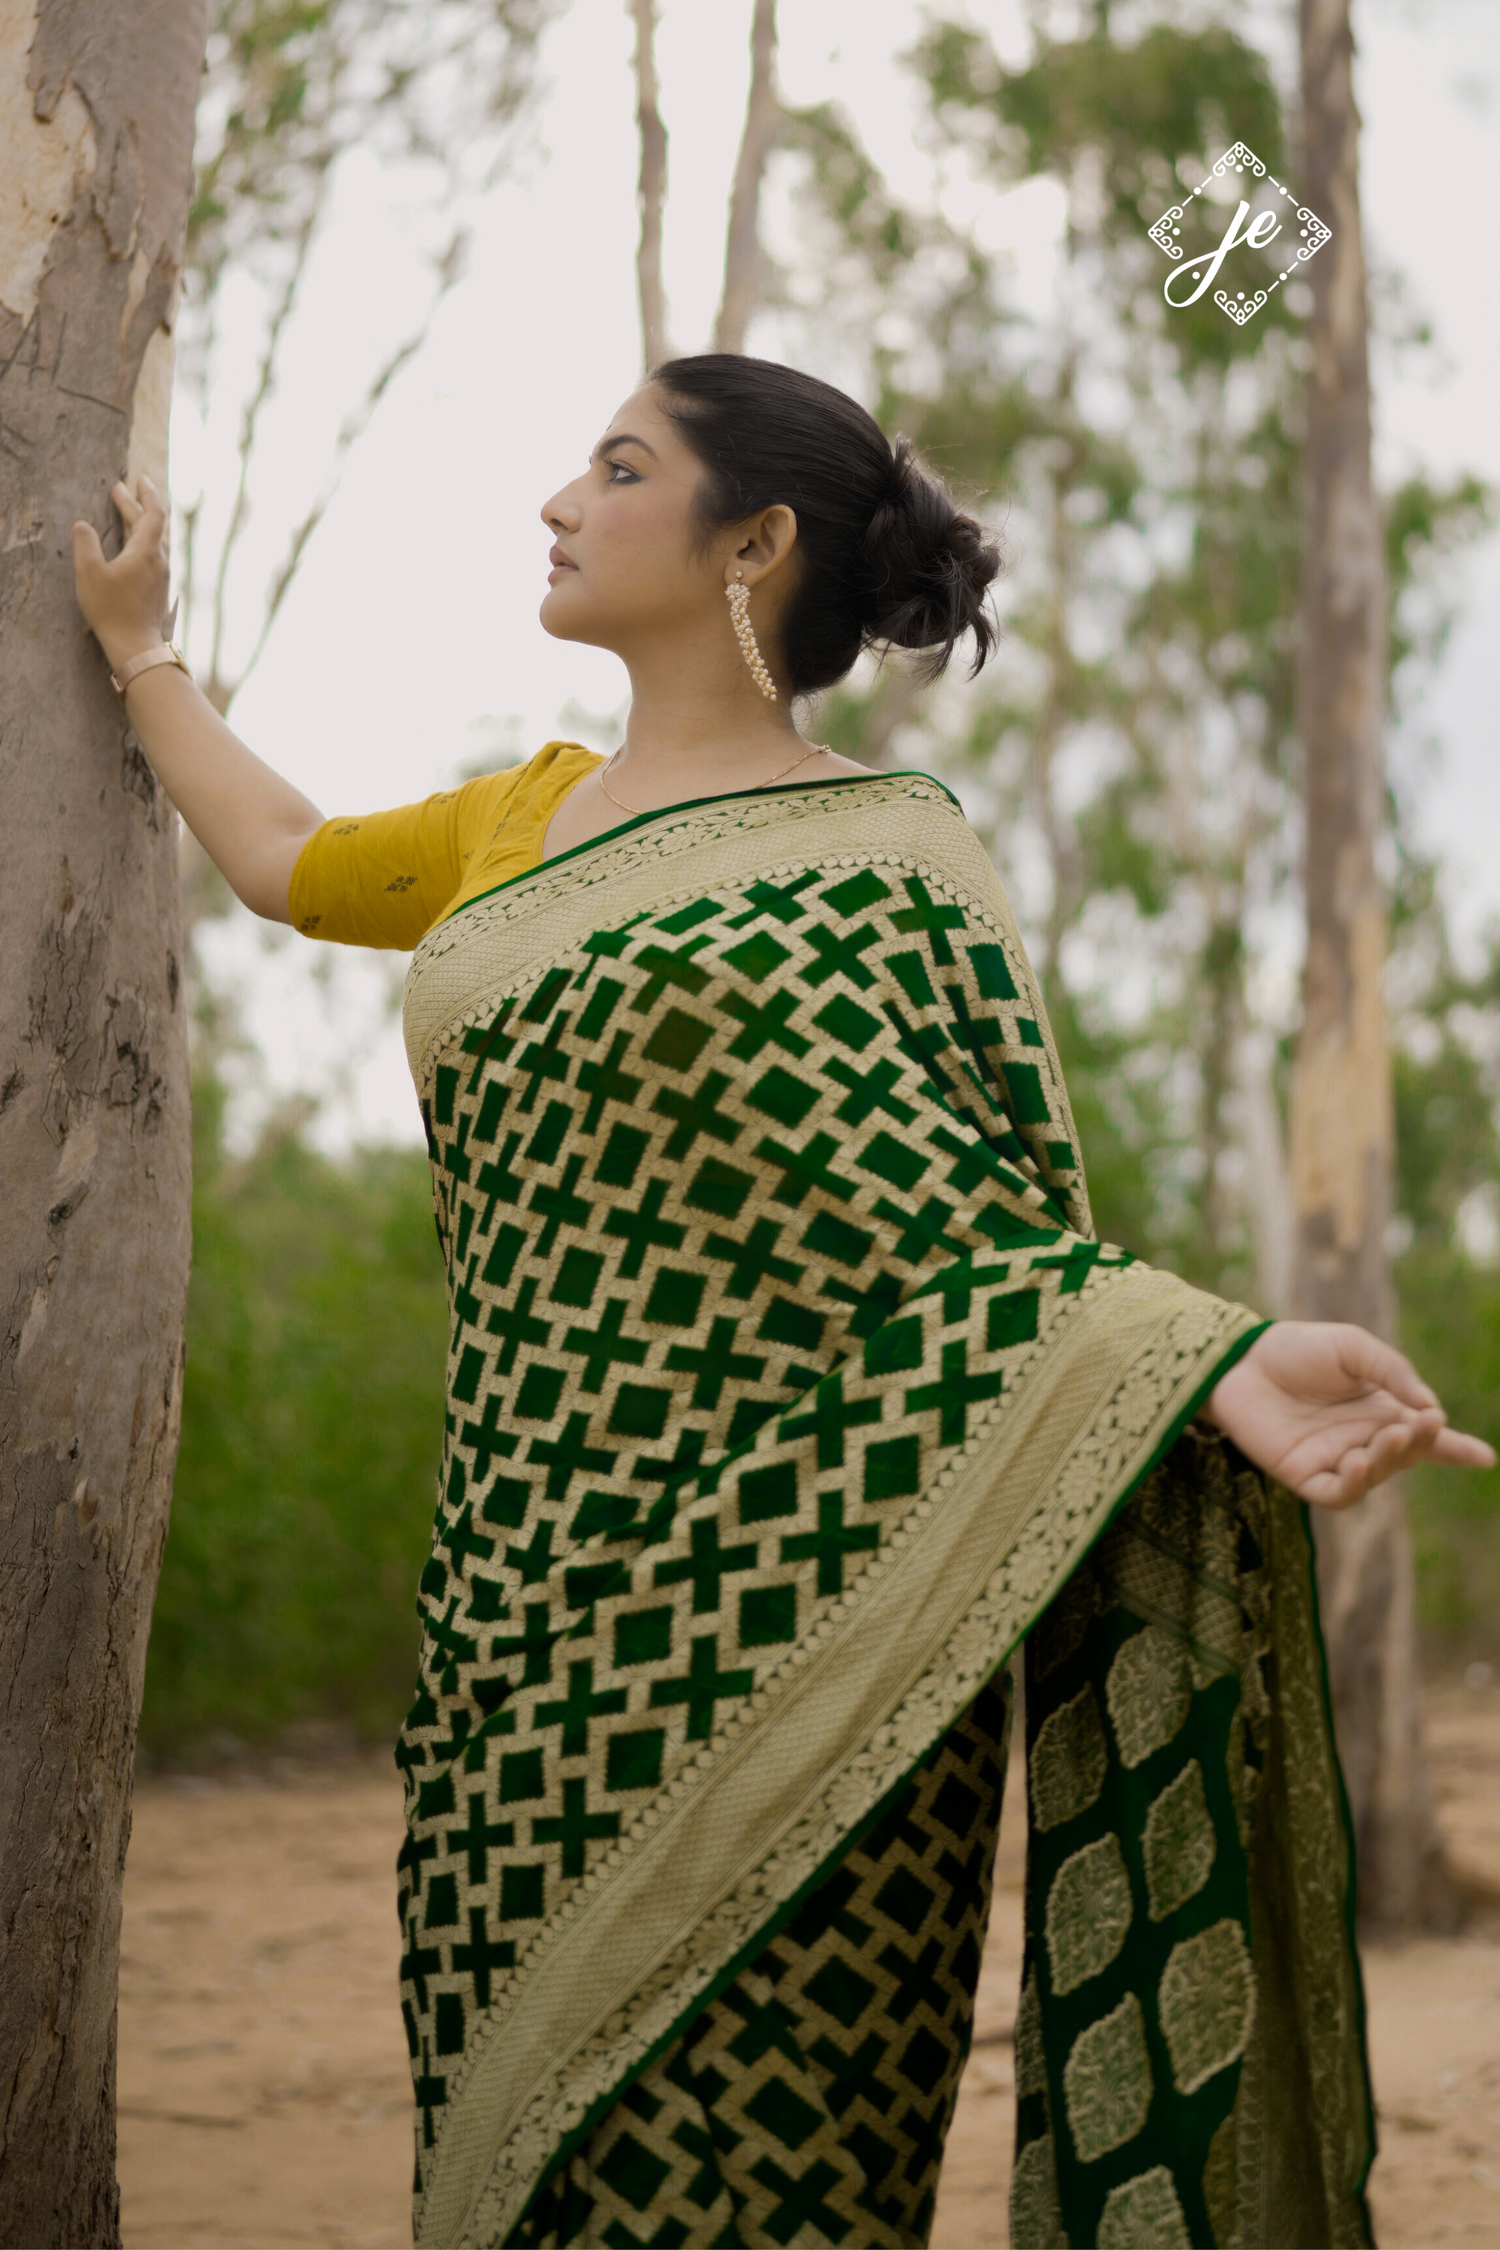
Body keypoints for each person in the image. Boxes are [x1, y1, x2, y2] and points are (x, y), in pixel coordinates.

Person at [75, 354, 1491, 2250]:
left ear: (755, 541)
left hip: (825, 1659)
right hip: (526, 1650)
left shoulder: (899, 864)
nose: (560, 502)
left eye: (618, 465)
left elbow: (970, 1249)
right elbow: (276, 859)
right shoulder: (520, 821)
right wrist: (139, 646)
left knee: (773, 2188)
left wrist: (1213, 1361)